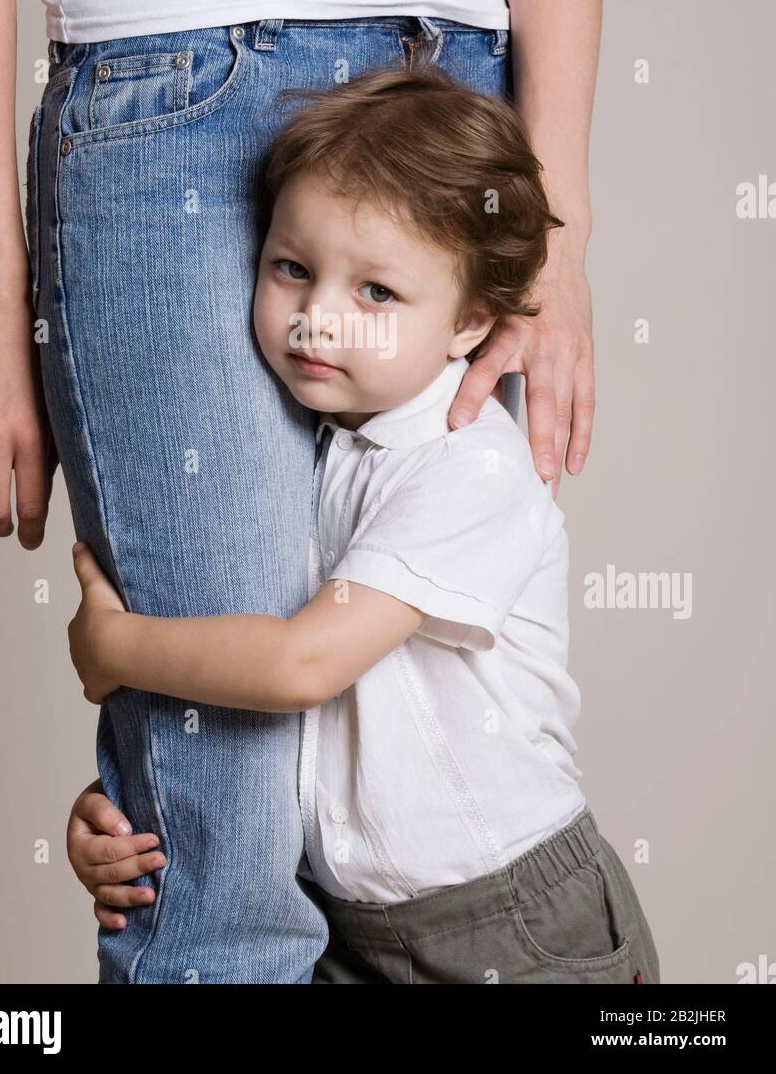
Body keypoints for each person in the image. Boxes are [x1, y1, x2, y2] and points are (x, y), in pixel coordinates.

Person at [0, 0, 600, 983]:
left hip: (439, 92)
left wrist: (553, 227)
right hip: (160, 92)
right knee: (213, 844)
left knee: (415, 734)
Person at [67, 65, 660, 985]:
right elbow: (272, 720)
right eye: (292, 269)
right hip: (346, 930)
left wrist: (115, 648)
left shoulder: (470, 468)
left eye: (376, 293)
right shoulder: (302, 463)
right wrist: (126, 808)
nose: (316, 320)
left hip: (514, 926)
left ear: (471, 321)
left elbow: (302, 665)